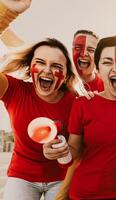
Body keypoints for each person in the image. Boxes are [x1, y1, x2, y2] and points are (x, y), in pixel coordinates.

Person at [45, 36, 116, 199]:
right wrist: (58, 150)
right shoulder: (83, 104)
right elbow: (74, 149)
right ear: (97, 69)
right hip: (83, 193)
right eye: (107, 62)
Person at [0, 37, 78, 200]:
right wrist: (5, 16)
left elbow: (79, 147)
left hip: (61, 178)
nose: (48, 70)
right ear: (30, 67)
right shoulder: (15, 90)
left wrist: (65, 152)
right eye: (41, 62)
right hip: (22, 176)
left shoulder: (75, 101)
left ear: (65, 75)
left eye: (56, 66)